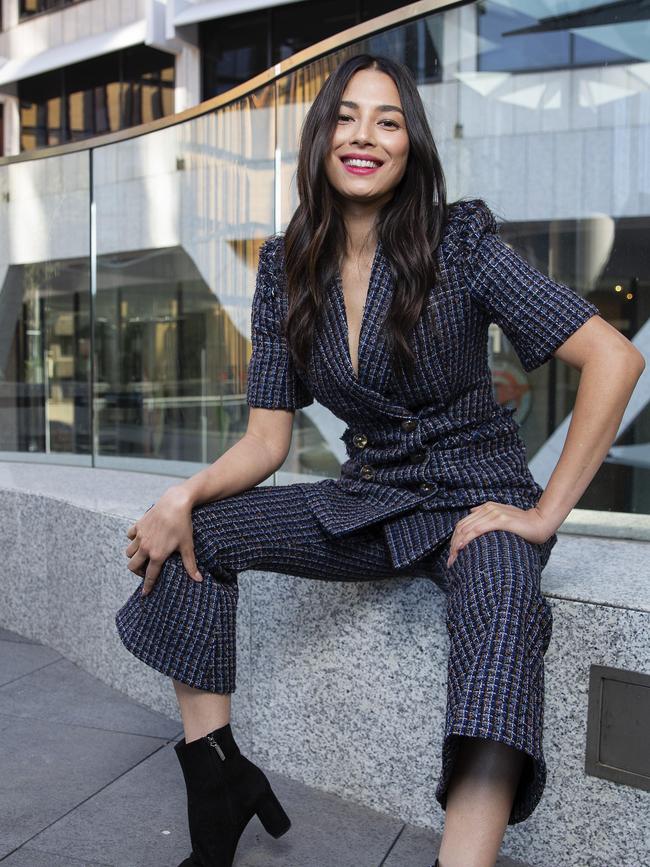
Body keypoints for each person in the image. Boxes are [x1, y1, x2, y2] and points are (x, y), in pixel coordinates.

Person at [115, 53, 644, 867]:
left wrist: (542, 514)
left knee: (503, 616)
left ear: (410, 146)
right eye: (348, 117)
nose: (365, 136)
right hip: (373, 495)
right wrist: (183, 493)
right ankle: (218, 776)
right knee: (200, 532)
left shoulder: (459, 242)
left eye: (388, 120)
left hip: (479, 497)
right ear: (322, 135)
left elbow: (614, 357)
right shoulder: (284, 267)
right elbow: (267, 440)